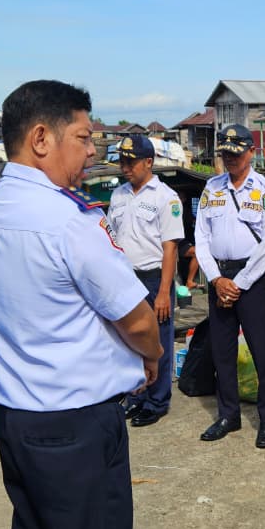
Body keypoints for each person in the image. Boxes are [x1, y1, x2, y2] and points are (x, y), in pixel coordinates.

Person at [0, 79, 164, 529]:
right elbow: (138, 320)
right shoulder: (68, 221)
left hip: (16, 416)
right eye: (82, 137)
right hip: (75, 425)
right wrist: (153, 356)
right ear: (41, 139)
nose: (92, 151)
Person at [193, 124, 265, 448]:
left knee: (262, 349)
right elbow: (200, 238)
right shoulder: (211, 189)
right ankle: (228, 414)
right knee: (222, 351)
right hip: (219, 277)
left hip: (254, 279)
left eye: (236, 152)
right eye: (225, 153)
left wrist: (238, 284)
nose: (230, 159)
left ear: (250, 152)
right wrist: (216, 279)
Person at [109, 134, 185, 427]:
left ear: (149, 162)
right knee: (128, 339)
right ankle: (136, 395)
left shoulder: (165, 197)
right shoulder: (118, 196)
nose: (125, 167)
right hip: (126, 278)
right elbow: (112, 240)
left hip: (154, 279)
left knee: (159, 342)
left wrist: (165, 291)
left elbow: (170, 247)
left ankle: (157, 400)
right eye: (122, 162)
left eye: (131, 162)